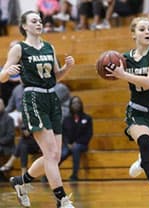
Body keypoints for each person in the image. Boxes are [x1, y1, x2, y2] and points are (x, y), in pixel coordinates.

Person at [0, 10, 75, 208]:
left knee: (55, 156)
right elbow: (2, 77)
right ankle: (62, 199)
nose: (39, 23)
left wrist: (67, 68)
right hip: (33, 98)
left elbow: (55, 77)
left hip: (52, 97)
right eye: (34, 21)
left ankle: (21, 182)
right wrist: (8, 71)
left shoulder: (49, 47)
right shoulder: (19, 49)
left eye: (40, 21)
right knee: (50, 153)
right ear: (25, 26)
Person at [105, 16, 149, 206]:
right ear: (133, 34)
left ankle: (144, 163)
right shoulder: (124, 59)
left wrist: (123, 75)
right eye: (142, 29)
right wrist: (107, 69)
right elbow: (107, 68)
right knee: (145, 142)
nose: (147, 33)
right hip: (138, 111)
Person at [60, 96, 93, 181]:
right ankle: (48, 175)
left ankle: (74, 175)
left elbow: (88, 134)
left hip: (82, 144)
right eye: (74, 103)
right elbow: (63, 134)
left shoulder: (87, 118)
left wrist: (77, 142)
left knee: (76, 149)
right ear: (70, 105)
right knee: (61, 155)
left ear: (81, 105)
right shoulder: (67, 119)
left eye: (78, 103)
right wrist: (67, 143)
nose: (76, 105)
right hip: (68, 144)